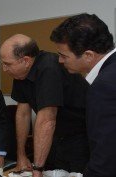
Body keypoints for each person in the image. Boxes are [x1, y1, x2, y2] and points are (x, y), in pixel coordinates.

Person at [0, 34, 89, 177]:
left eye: (7, 64)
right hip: (55, 136)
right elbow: (22, 114)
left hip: (81, 136)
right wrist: (21, 155)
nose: (4, 69)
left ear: (26, 60)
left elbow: (47, 120)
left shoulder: (49, 68)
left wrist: (37, 168)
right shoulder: (20, 73)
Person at [50, 13, 116, 177]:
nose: (60, 61)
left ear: (88, 55)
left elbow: (106, 157)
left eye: (64, 55)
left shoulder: (104, 87)